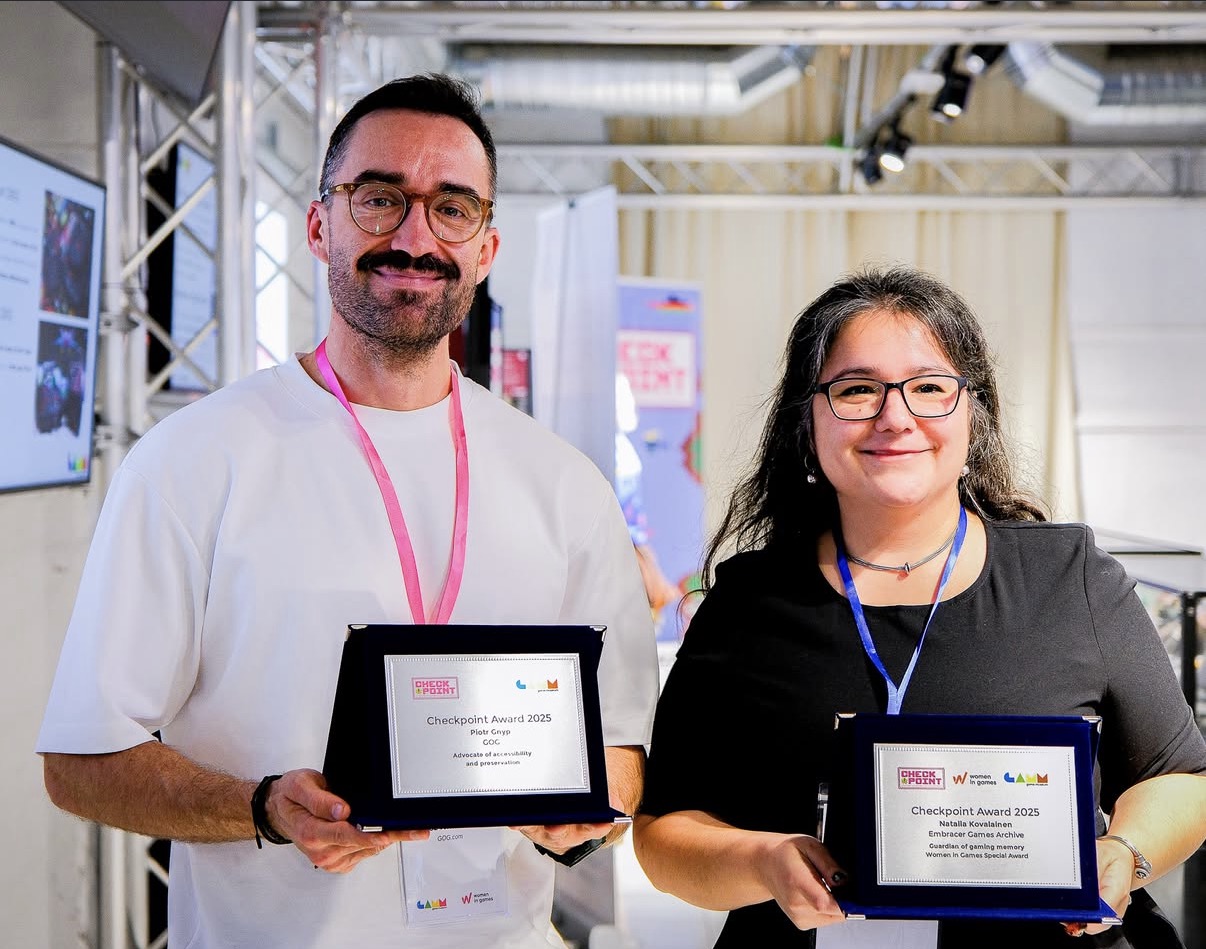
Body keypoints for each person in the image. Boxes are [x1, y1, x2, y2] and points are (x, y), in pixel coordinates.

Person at [36, 73, 659, 949]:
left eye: (452, 208)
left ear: (486, 247)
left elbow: (624, 741)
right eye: (379, 198)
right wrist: (261, 807)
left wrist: (590, 811)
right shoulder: (194, 461)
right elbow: (82, 759)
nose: (414, 237)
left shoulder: (563, 484)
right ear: (319, 224)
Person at [632, 265, 1206, 948]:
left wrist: (1124, 852)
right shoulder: (748, 603)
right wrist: (761, 860)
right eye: (857, 389)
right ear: (806, 422)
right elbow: (663, 835)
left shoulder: (1069, 578)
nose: (895, 417)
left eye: (930, 387)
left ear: (973, 413)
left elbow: (1181, 776)